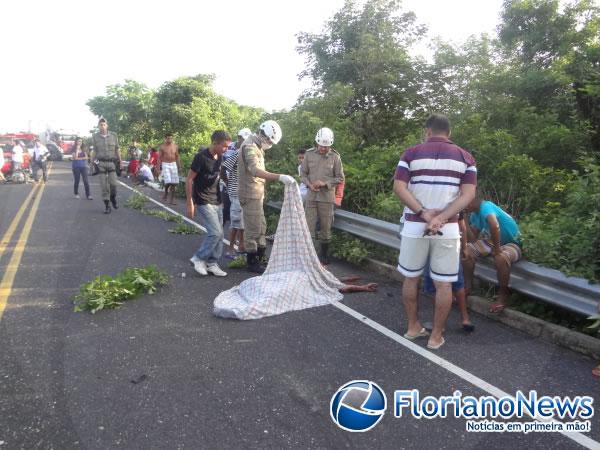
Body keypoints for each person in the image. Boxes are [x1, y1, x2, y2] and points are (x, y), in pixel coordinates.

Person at [394, 113, 477, 350]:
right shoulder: (465, 157)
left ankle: (413, 327)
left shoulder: (410, 154)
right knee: (444, 284)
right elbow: (468, 195)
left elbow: (399, 187)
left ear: (428, 131)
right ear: (449, 133)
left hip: (413, 224)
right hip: (448, 228)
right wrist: (441, 217)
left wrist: (423, 213)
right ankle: (436, 336)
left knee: (411, 278)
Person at [237, 120, 295, 273]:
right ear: (264, 135)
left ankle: (260, 257)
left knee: (261, 226)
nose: (270, 144)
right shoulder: (249, 146)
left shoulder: (257, 146)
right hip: (250, 194)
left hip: (256, 193)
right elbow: (255, 170)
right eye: (270, 141)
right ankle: (252, 262)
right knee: (253, 229)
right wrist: (279, 177)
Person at [463, 195, 522, 313]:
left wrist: (497, 249)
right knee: (466, 251)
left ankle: (503, 296)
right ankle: (467, 288)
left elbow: (495, 226)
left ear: (470, 201)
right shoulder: (475, 214)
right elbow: (473, 239)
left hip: (512, 243)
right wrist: (464, 220)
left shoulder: (486, 206)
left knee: (500, 258)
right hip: (492, 241)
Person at [186, 131, 232, 277]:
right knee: (215, 233)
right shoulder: (200, 157)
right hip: (203, 200)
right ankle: (198, 258)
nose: (226, 149)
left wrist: (222, 200)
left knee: (220, 235)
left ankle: (212, 263)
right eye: (224, 146)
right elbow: (189, 180)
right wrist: (190, 203)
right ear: (215, 143)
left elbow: (218, 178)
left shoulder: (220, 157)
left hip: (216, 200)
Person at [422, 212, 473, 332]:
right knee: (458, 284)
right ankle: (465, 318)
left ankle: (439, 324)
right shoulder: (454, 206)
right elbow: (463, 227)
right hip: (452, 245)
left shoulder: (428, 205)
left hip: (433, 247)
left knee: (436, 286)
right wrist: (464, 247)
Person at [300, 127, 345, 265]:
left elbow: (340, 178)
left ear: (330, 145)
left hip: (327, 198)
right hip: (311, 196)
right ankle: (309, 256)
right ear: (317, 143)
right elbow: (303, 174)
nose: (323, 149)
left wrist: (325, 183)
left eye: (326, 147)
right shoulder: (308, 154)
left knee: (326, 227)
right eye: (321, 146)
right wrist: (309, 184)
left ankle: (324, 255)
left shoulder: (335, 157)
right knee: (309, 226)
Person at [91, 118, 121, 214]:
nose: (102, 126)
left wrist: (120, 161)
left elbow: (117, 149)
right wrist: (92, 162)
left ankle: (113, 198)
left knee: (114, 184)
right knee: (104, 186)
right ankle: (107, 206)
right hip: (101, 163)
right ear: (98, 126)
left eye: (104, 124)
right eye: (101, 125)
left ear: (107, 125)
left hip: (112, 163)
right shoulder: (95, 137)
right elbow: (94, 150)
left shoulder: (114, 135)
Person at [158, 133, 180, 205]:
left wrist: (179, 166)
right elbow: (159, 158)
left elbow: (177, 156)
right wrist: (158, 168)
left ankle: (171, 200)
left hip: (173, 164)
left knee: (174, 183)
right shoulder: (162, 147)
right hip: (165, 164)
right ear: (165, 139)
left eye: (171, 138)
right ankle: (166, 193)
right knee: (168, 181)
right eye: (168, 138)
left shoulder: (175, 146)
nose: (169, 140)